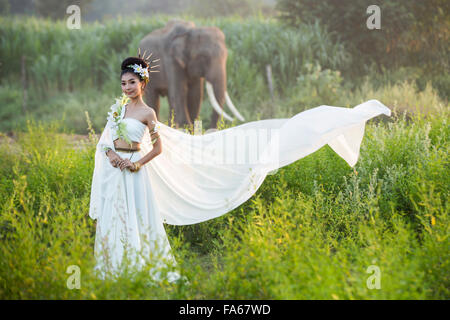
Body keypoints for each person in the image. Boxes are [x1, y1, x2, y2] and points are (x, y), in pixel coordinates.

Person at [89, 53, 392, 282]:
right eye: (123, 83)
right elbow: (105, 141)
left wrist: (135, 163)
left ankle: (142, 267)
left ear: (142, 83)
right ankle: (112, 268)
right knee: (115, 216)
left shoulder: (148, 113)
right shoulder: (117, 109)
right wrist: (112, 157)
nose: (127, 87)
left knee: (138, 218)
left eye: (132, 82)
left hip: (134, 172)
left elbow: (158, 147)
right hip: (117, 171)